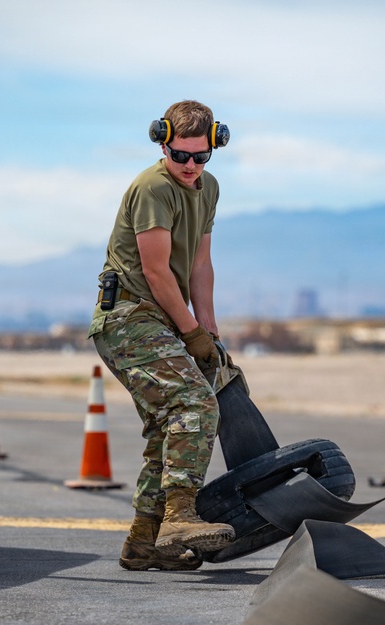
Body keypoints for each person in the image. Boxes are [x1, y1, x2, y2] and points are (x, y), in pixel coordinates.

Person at [88, 100, 235, 571]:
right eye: (181, 156)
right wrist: (191, 334)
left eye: (201, 156)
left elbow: (199, 265)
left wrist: (209, 334)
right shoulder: (153, 187)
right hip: (129, 317)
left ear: (213, 147)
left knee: (169, 425)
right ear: (163, 143)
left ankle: (145, 542)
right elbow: (155, 271)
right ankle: (179, 518)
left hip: (163, 320)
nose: (190, 166)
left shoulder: (207, 188)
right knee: (194, 404)